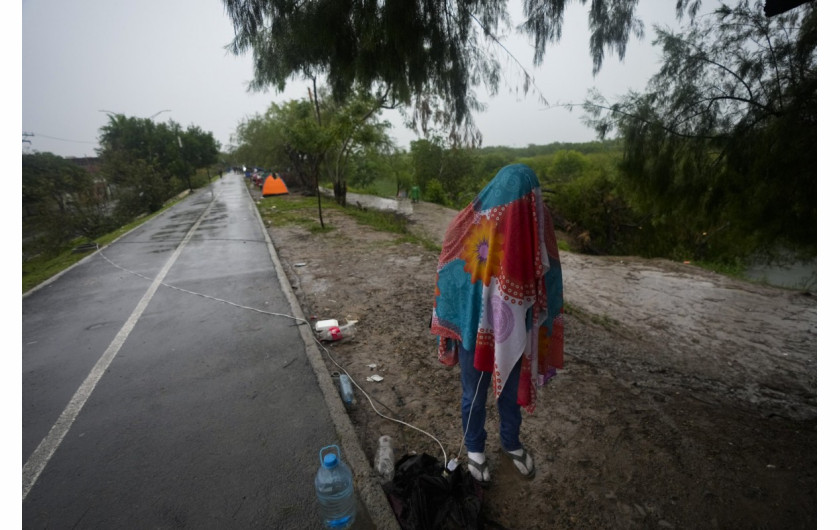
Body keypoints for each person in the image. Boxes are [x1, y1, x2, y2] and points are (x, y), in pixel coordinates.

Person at [430, 163, 564, 485]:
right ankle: (475, 448)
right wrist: (464, 312)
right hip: (475, 325)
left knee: (510, 389)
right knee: (473, 391)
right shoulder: (469, 223)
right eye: (519, 200)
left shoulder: (537, 219)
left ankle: (510, 441)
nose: (524, 207)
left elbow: (550, 273)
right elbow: (449, 268)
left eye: (529, 199)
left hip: (518, 322)